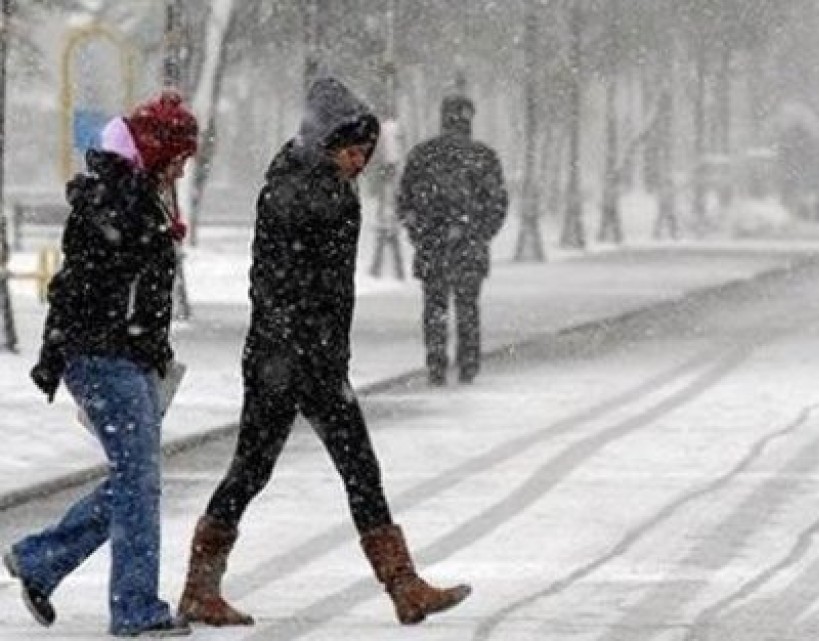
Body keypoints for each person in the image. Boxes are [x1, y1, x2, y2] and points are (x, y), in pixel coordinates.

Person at [176, 76, 470, 628]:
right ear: (327, 141)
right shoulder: (301, 190)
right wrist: (305, 351)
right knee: (294, 468)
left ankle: (402, 588)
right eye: (353, 150)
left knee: (292, 467)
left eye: (365, 153)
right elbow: (281, 283)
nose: (360, 161)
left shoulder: (319, 184)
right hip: (290, 358)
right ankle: (400, 587)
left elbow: (319, 285)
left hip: (301, 356)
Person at [5, 91, 197, 637]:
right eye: (180, 156)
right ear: (158, 149)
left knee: (136, 479)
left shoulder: (142, 195)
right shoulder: (116, 196)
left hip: (126, 354)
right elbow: (79, 284)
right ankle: (134, 608)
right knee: (139, 479)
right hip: (101, 356)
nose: (184, 168)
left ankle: (40, 559)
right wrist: (59, 351)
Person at [397, 92, 508, 386]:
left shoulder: (422, 155)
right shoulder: (483, 156)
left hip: (431, 246)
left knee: (434, 307)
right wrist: (479, 234)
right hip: (469, 247)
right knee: (467, 307)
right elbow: (498, 204)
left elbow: (404, 202)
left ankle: (436, 364)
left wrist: (420, 235)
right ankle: (468, 364)